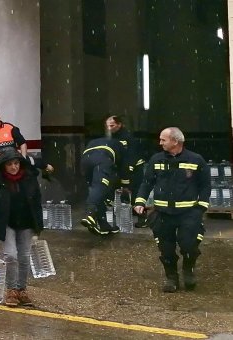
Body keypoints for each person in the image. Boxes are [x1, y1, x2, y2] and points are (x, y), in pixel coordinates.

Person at [134, 127, 210, 293]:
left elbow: (205, 185)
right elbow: (147, 182)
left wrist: (201, 207)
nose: (160, 143)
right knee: (166, 249)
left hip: (188, 213)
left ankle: (188, 272)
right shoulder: (156, 159)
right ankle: (171, 278)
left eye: (163, 140)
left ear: (176, 141)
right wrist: (140, 201)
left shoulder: (196, 159)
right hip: (162, 214)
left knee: (189, 245)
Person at [0, 149, 51, 307]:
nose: (13, 167)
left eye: (16, 163)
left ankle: (21, 289)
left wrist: (38, 226)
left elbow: (36, 202)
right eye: (10, 164)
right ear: (3, 166)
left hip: (26, 222)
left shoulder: (29, 178)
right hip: (6, 222)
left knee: (24, 256)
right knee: (11, 255)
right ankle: (11, 289)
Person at [80, 136, 129, 235]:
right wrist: (125, 185)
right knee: (99, 187)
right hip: (102, 158)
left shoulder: (97, 141)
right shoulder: (121, 147)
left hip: (85, 160)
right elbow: (123, 168)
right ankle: (90, 214)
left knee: (97, 191)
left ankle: (103, 225)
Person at [105, 116, 148, 227]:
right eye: (108, 125)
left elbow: (130, 156)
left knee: (135, 192)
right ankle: (120, 217)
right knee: (118, 192)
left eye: (112, 125)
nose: (109, 128)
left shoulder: (127, 137)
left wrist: (127, 175)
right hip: (120, 167)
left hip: (134, 167)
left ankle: (142, 218)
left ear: (119, 124)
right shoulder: (111, 138)